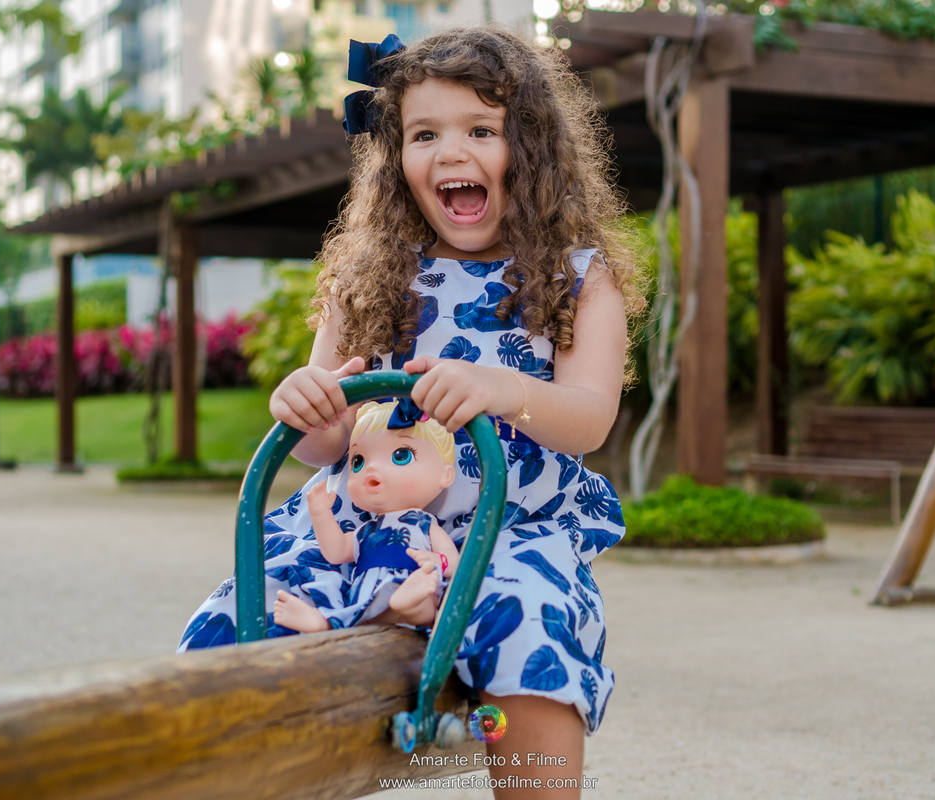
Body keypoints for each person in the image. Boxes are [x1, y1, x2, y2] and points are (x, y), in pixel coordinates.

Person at [179, 25, 644, 798]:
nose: (450, 152)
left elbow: (590, 418)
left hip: (508, 532)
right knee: (236, 621)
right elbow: (326, 442)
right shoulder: (368, 281)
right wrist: (304, 404)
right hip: (361, 533)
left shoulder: (579, 279)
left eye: (481, 130)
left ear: (531, 147)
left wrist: (505, 390)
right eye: (425, 134)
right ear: (396, 159)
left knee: (533, 631)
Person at [271, 398, 460, 632]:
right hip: (367, 593)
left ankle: (410, 603)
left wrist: (437, 561)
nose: (371, 468)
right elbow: (336, 552)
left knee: (425, 606)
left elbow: (454, 561)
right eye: (358, 461)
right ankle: (321, 622)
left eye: (401, 455)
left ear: (446, 475)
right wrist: (321, 514)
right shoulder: (367, 530)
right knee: (356, 610)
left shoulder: (424, 524)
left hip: (413, 580)